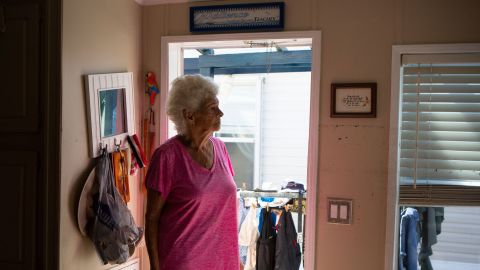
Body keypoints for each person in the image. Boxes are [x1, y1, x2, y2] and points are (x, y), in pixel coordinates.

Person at [145, 74, 239, 270]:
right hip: (183, 262)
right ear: (189, 115)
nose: (220, 113)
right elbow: (152, 218)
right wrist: (155, 266)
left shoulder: (221, 149)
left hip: (223, 262)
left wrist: (235, 259)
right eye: (213, 108)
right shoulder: (166, 156)